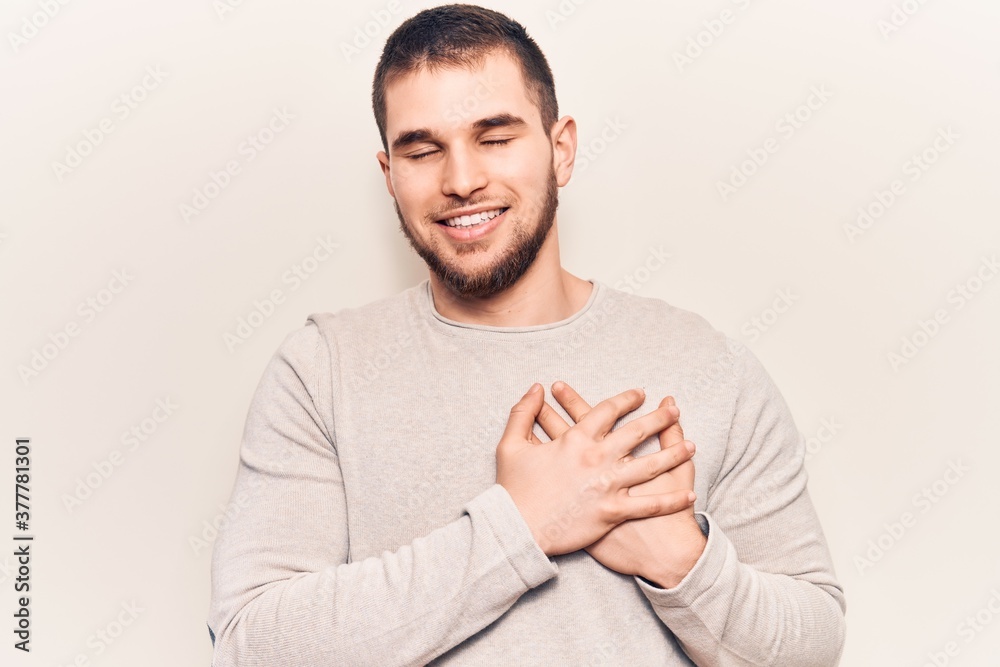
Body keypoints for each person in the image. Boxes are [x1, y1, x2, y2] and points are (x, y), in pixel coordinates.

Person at [207, 4, 846, 665]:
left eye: (495, 138)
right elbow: (253, 646)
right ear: (390, 174)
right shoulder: (321, 371)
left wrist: (683, 563)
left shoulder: (708, 364)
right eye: (423, 151)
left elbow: (814, 648)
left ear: (560, 149)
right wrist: (520, 528)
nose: (461, 181)